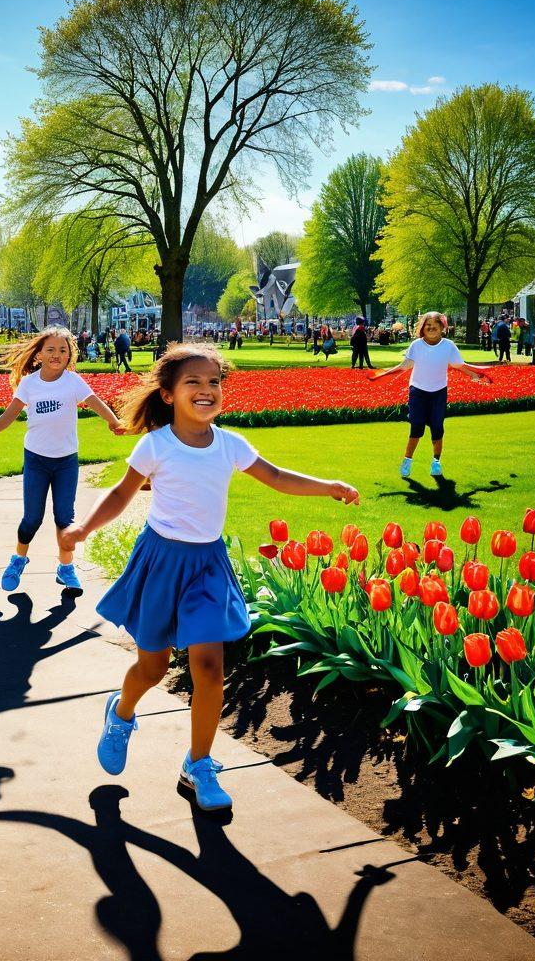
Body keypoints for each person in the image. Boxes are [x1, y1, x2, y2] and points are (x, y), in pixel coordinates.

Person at [59, 344, 358, 810]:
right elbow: (121, 494)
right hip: (161, 562)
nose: (206, 390)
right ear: (167, 394)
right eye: (193, 382)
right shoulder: (155, 445)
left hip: (207, 566)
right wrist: (83, 527)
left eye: (214, 381)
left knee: (209, 667)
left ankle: (198, 764)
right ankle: (121, 713)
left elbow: (276, 477)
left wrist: (329, 486)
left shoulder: (230, 444)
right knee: (153, 668)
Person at [0, 326, 123, 594]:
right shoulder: (29, 384)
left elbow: (95, 402)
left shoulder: (73, 382)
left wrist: (113, 421)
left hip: (66, 462)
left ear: (70, 354)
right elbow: (8, 417)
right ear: (39, 354)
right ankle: (18, 559)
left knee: (65, 518)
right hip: (37, 460)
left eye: (63, 350)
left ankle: (66, 567)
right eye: (50, 349)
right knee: (32, 520)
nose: (56, 355)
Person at [369, 311, 492, 478]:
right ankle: (407, 461)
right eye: (428, 326)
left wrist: (475, 375)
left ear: (442, 327)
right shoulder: (417, 345)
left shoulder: (449, 346)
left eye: (435, 326)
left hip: (439, 392)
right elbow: (405, 365)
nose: (431, 328)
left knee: (437, 427)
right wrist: (384, 374)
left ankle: (436, 462)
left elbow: (459, 365)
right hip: (418, 391)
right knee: (416, 426)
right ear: (423, 329)